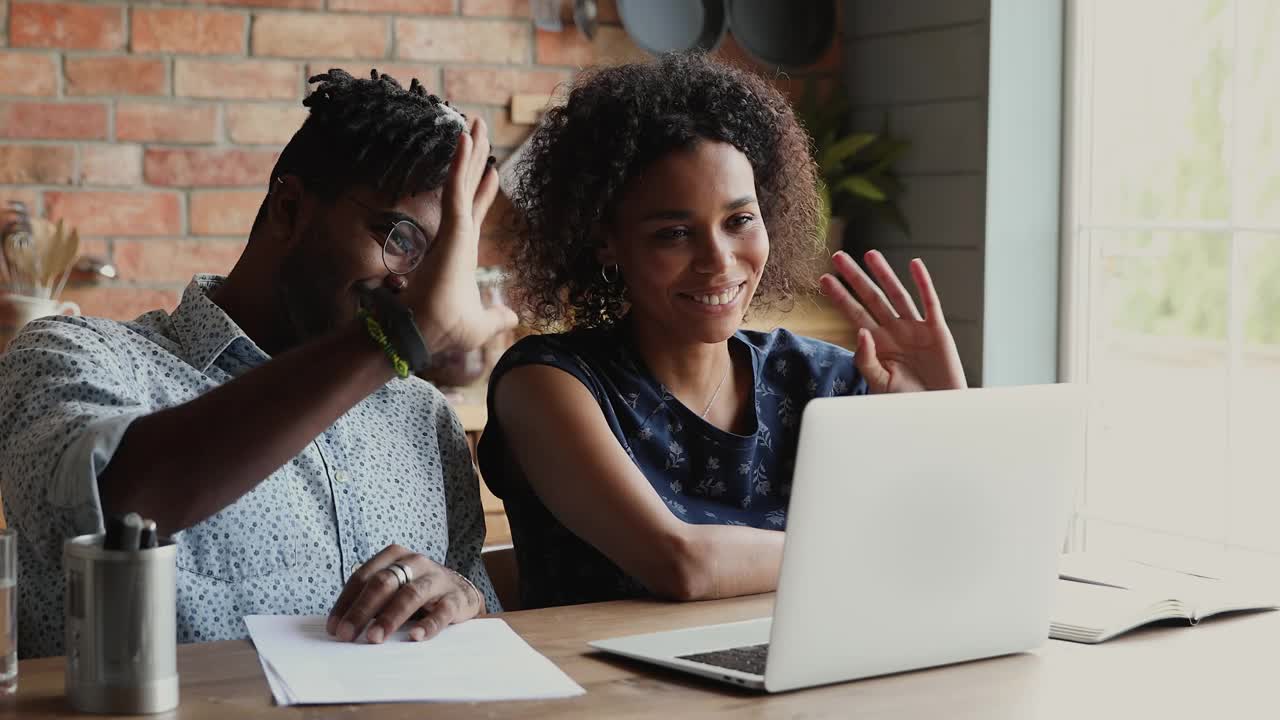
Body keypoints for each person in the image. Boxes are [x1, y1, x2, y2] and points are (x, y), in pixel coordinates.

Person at [0, 69, 518, 658]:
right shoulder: (73, 355)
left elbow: (470, 614)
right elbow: (106, 515)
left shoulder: (424, 417)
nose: (420, 286)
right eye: (400, 238)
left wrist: (460, 598)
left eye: (443, 261)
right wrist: (398, 338)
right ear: (289, 207)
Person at [477, 54, 969, 610]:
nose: (718, 260)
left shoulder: (822, 381)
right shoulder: (549, 384)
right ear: (605, 241)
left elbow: (952, 547)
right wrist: (875, 544)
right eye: (674, 233)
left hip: (788, 678)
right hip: (601, 689)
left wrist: (946, 419)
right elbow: (681, 564)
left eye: (739, 221)